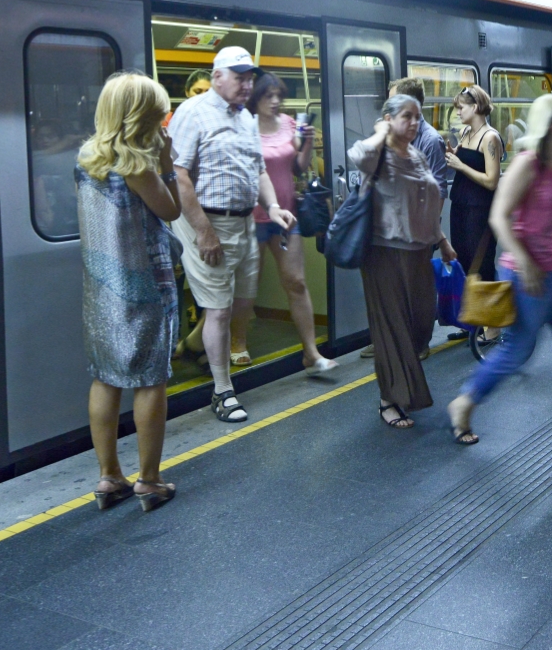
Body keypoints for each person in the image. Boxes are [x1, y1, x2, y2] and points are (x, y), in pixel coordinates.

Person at [445, 94, 552, 451]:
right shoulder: (528, 164)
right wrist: (524, 259)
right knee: (518, 350)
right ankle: (464, 402)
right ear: (549, 124)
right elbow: (499, 216)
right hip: (529, 274)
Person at [168, 46, 298, 424]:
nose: (247, 85)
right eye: (240, 77)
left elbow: (258, 170)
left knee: (243, 302)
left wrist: (272, 206)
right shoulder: (192, 114)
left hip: (245, 221)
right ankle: (223, 391)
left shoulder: (245, 118)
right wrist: (203, 231)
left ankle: (196, 344)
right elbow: (179, 176)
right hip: (207, 221)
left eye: (250, 77)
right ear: (217, 77)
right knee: (221, 310)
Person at [76, 72, 181, 513]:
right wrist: (169, 164)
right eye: (158, 112)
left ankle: (108, 477)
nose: (163, 119)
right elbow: (170, 210)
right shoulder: (137, 165)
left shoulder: (86, 157)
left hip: (100, 289)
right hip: (142, 288)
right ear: (141, 115)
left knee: (105, 377)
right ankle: (150, 480)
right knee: (149, 379)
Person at [349, 94, 457, 430]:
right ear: (388, 118)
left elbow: (428, 202)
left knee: (422, 322)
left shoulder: (416, 154)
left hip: (417, 252)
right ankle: (388, 399)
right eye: (406, 117)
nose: (414, 123)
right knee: (392, 327)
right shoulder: (377, 151)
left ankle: (396, 387)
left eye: (417, 117)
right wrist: (382, 132)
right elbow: (358, 156)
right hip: (383, 253)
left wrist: (442, 240)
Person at [228, 72, 338, 376]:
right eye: (268, 96)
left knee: (296, 282)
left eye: (279, 96)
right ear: (255, 99)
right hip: (252, 217)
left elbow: (297, 168)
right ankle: (237, 343)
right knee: (247, 287)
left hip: (286, 215)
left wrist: (307, 144)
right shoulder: (244, 126)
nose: (275, 102)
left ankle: (311, 353)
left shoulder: (290, 124)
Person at [444, 83, 504, 342]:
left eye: (461, 107)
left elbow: (491, 180)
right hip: (460, 204)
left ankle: (494, 325)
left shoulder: (490, 137)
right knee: (466, 261)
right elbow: (468, 163)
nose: (458, 112)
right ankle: (473, 319)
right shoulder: (467, 133)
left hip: (480, 209)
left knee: (483, 264)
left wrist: (460, 164)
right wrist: (455, 156)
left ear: (476, 107)